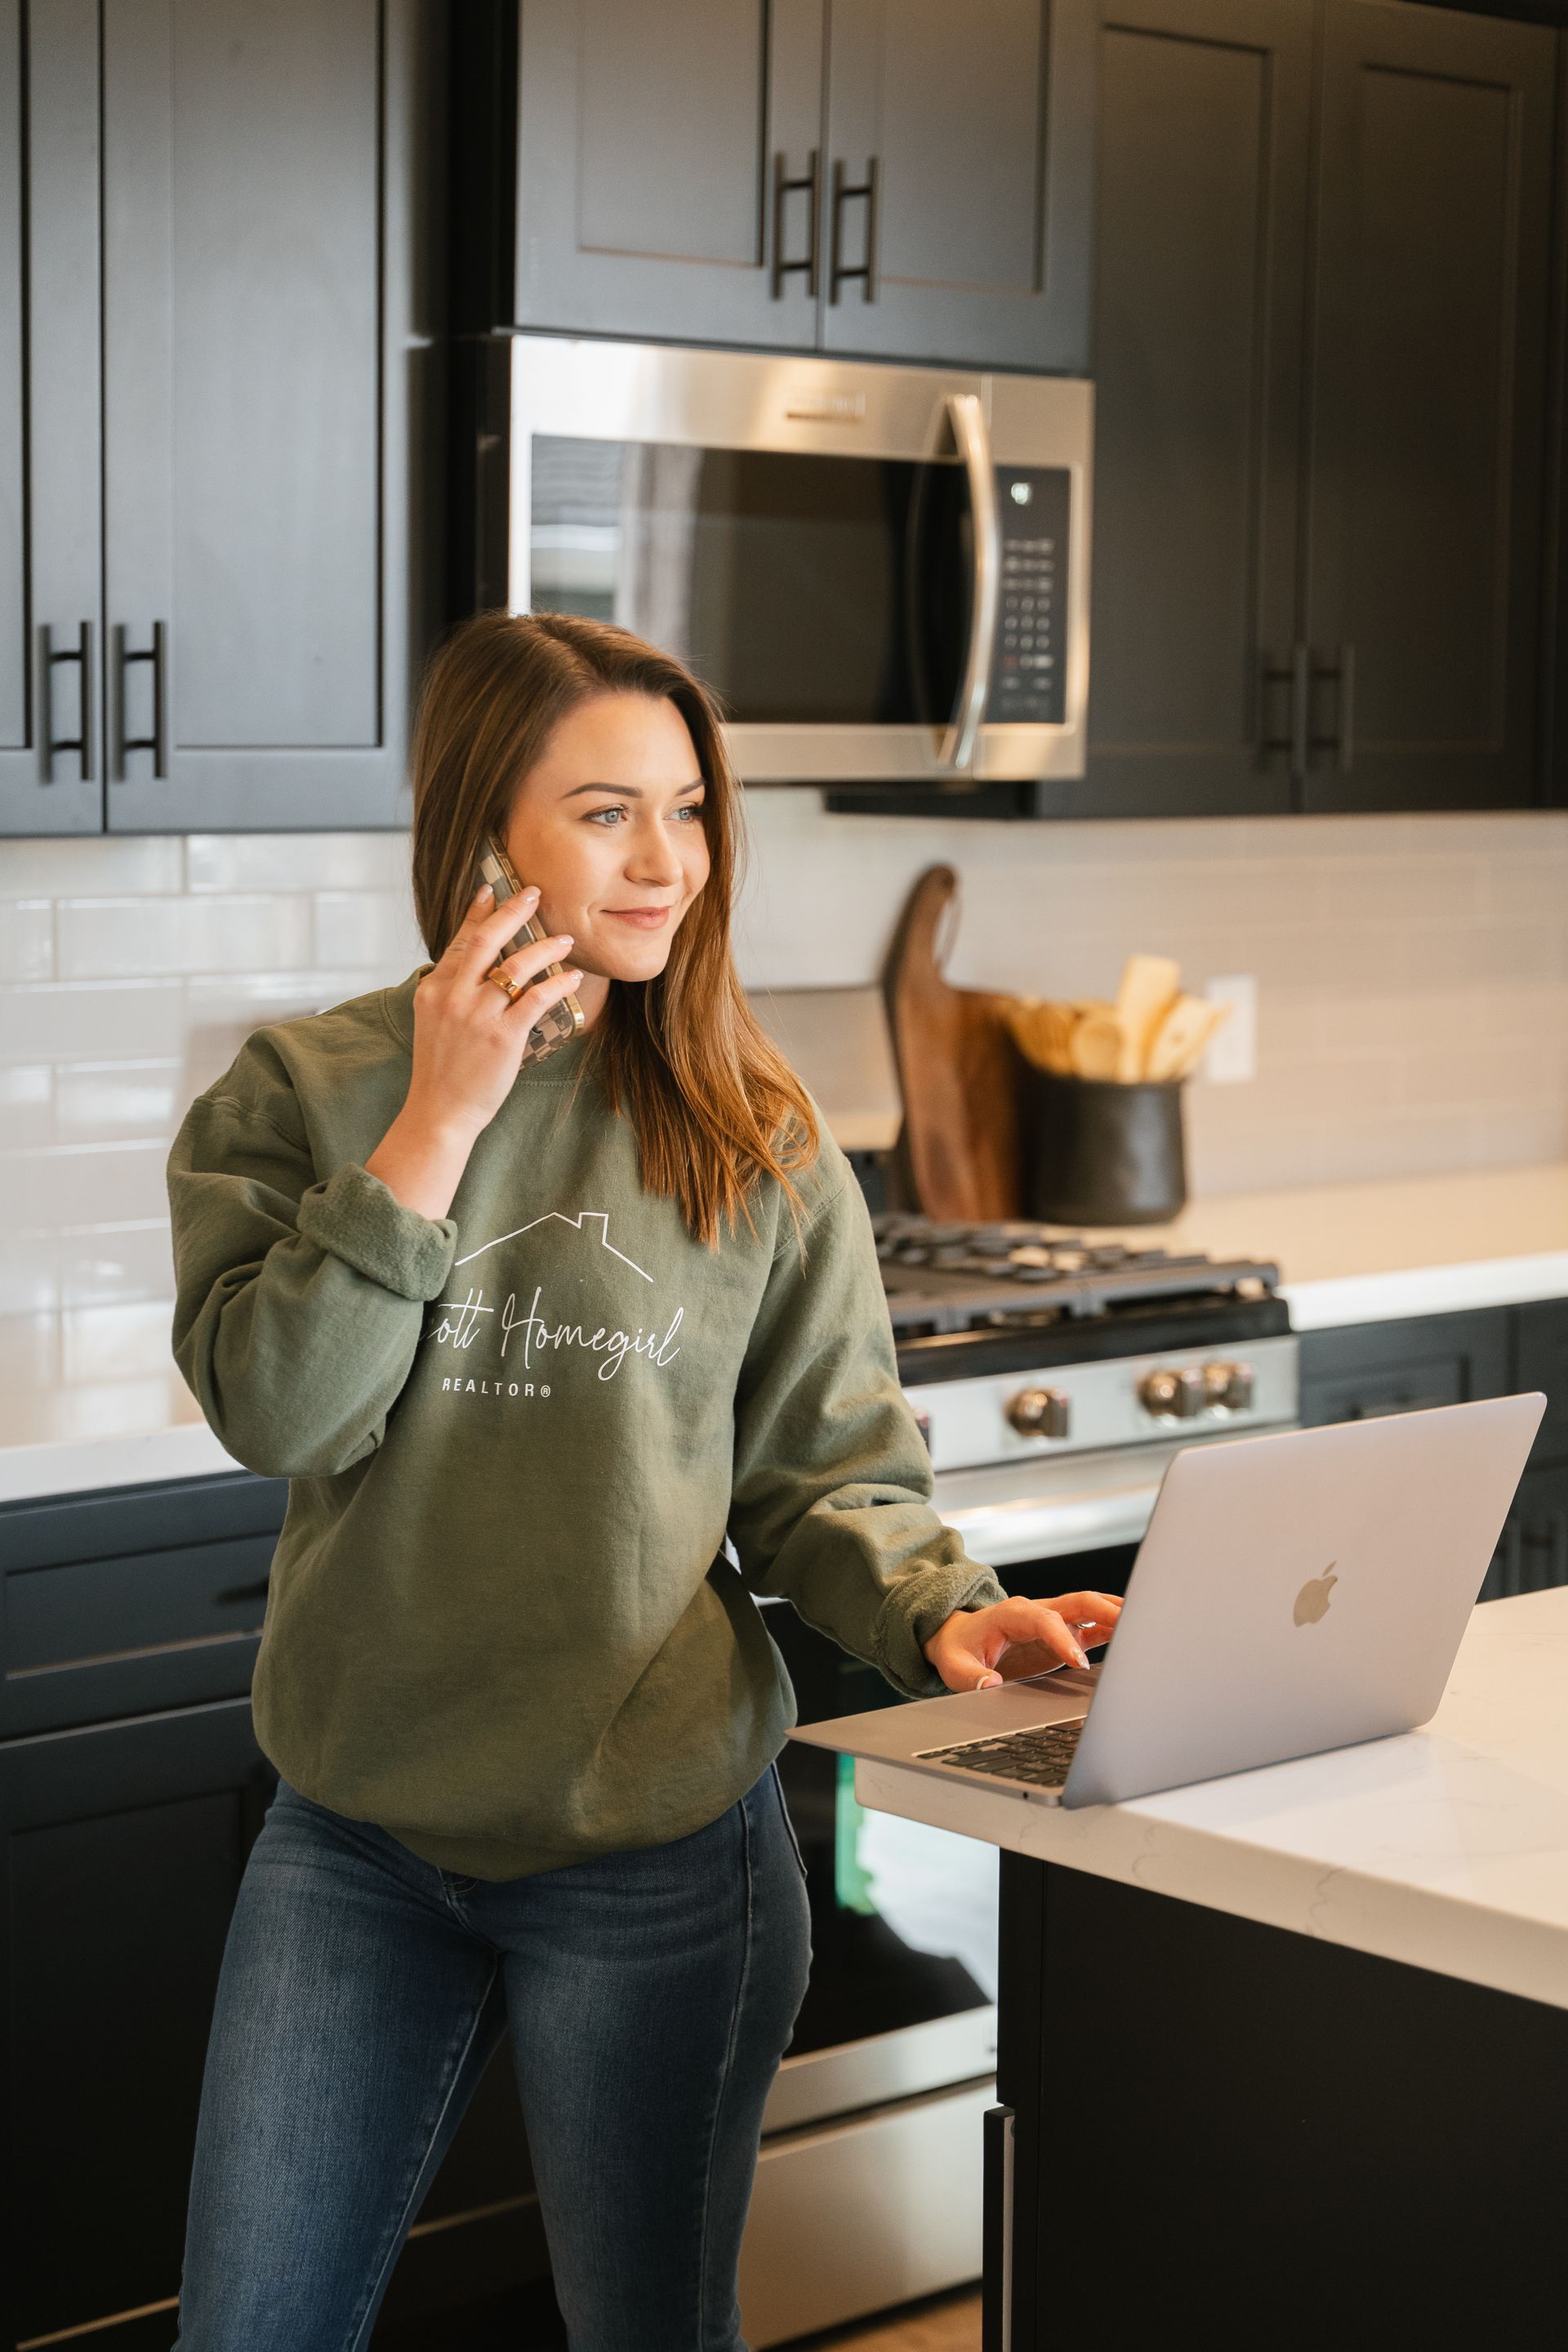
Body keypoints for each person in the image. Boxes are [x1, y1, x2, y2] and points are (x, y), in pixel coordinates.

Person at [165, 610, 1120, 2351]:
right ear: (483, 834)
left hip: (655, 1857)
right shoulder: (302, 1093)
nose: (668, 860)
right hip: (358, 1840)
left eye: (688, 809)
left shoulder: (752, 1124)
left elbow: (831, 1475)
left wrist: (951, 1621)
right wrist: (438, 1121)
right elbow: (282, 1413)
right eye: (608, 811)